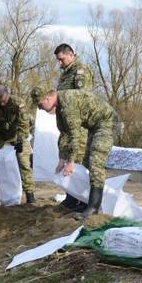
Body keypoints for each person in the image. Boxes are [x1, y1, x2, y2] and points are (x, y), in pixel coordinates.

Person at [30, 86, 118, 218]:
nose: (39, 108)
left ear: (47, 98)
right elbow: (64, 134)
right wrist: (61, 159)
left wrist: (70, 162)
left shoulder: (67, 104)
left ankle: (94, 207)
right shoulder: (60, 107)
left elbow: (75, 135)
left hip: (108, 123)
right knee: (86, 163)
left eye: (39, 104)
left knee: (95, 162)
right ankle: (84, 202)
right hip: (95, 127)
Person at [54, 43, 94, 210]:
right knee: (67, 160)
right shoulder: (65, 74)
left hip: (79, 125)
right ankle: (71, 198)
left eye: (62, 59)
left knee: (77, 162)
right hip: (67, 125)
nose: (60, 63)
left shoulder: (80, 71)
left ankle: (82, 201)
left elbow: (82, 98)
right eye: (58, 60)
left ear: (71, 54)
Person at [0, 85, 35, 205]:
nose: (2, 103)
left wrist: (20, 141)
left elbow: (23, 124)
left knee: (23, 162)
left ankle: (30, 195)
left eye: (4, 100)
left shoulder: (18, 103)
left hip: (17, 135)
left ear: (8, 94)